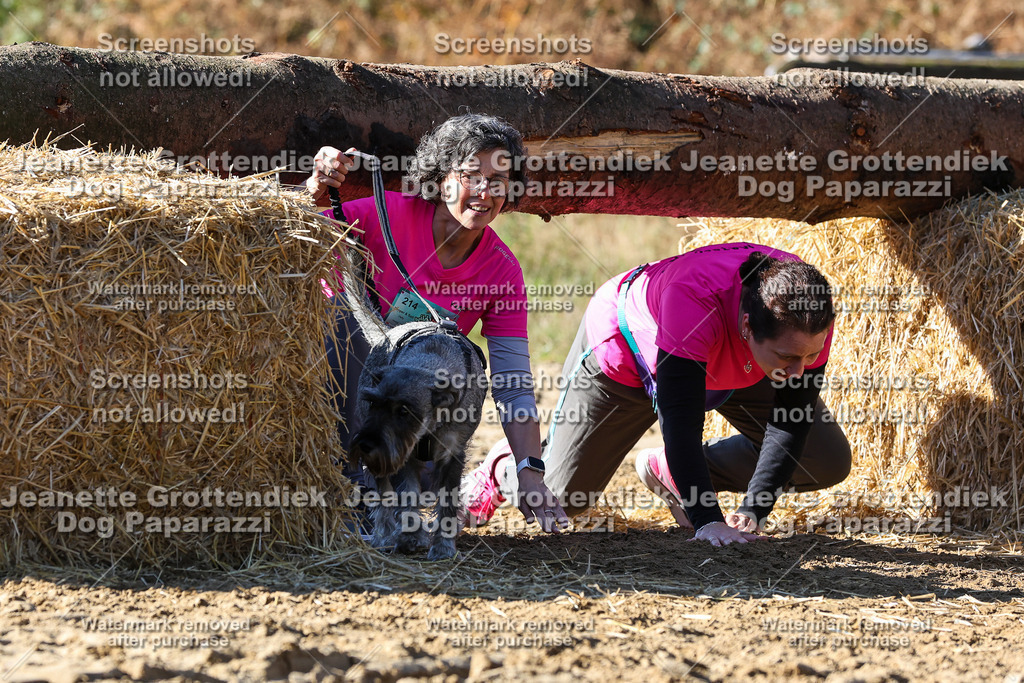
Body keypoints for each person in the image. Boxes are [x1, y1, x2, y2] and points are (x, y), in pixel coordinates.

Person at [462, 242, 852, 546]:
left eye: (811, 356)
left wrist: (754, 509)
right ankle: (505, 467)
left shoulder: (807, 314)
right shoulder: (694, 300)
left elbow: (790, 420)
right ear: (747, 326)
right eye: (788, 358)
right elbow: (680, 424)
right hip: (626, 359)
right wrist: (708, 520)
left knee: (825, 459)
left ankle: (670, 470)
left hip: (731, 362)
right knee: (563, 500)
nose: (800, 370)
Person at [305, 113, 569, 533]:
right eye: (471, 176)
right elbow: (290, 233)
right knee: (344, 316)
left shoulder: (501, 270)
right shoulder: (383, 214)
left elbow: (512, 381)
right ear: (442, 178)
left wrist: (530, 472)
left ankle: (470, 475)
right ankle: (344, 476)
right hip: (334, 393)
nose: (485, 192)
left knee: (458, 362)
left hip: (406, 420)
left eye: (498, 180)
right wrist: (315, 187)